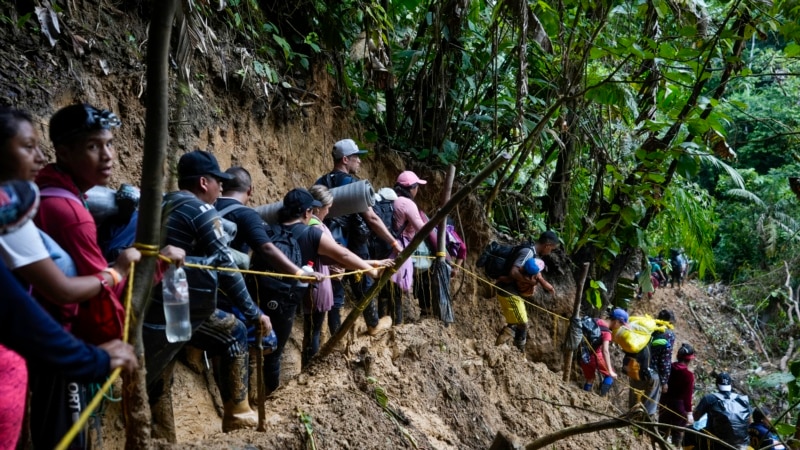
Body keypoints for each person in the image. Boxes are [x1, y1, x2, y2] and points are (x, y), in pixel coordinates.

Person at [25, 104, 182, 449]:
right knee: (67, 440)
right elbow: (99, 295)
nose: (108, 155)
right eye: (93, 146)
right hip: (59, 344)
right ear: (63, 152)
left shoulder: (43, 196)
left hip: (32, 337)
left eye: (110, 144)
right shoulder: (71, 213)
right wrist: (156, 265)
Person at [0, 180, 138, 450]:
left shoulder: (35, 204)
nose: (38, 156)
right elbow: (58, 292)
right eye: (27, 147)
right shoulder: (68, 213)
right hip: (58, 347)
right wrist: (116, 273)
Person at [143, 150, 271, 432]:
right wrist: (253, 313)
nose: (221, 187)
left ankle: (162, 436)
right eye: (217, 181)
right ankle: (237, 412)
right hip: (178, 305)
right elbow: (225, 265)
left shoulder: (163, 204)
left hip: (149, 303)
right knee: (234, 332)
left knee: (159, 376)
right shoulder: (200, 210)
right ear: (203, 182)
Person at [246, 188, 391, 393]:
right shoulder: (311, 233)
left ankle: (245, 397)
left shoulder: (269, 230)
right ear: (307, 212)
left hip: (257, 294)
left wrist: (372, 262)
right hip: (285, 301)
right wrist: (370, 272)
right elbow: (343, 256)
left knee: (251, 346)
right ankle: (270, 398)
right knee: (274, 353)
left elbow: (335, 260)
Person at [214, 167, 322, 375]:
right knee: (268, 340)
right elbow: (265, 248)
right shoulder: (247, 215)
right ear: (251, 190)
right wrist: (299, 273)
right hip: (231, 290)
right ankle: (243, 391)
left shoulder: (206, 208)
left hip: (195, 286)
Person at [315, 139, 395, 336]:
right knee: (364, 283)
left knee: (335, 288)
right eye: (356, 157)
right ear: (345, 159)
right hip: (352, 243)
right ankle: (373, 324)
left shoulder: (320, 182)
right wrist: (393, 242)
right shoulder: (352, 185)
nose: (359, 161)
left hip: (326, 240)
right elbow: (372, 218)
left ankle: (334, 335)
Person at [494, 231, 558, 351]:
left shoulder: (532, 254)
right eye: (551, 249)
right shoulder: (528, 252)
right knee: (522, 322)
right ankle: (516, 351)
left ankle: (507, 351)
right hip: (508, 291)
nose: (550, 252)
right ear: (548, 245)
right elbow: (513, 272)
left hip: (512, 291)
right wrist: (530, 283)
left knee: (515, 323)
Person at [392, 170, 439, 320]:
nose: (417, 190)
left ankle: (393, 317)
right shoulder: (408, 204)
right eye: (417, 186)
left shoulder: (392, 200)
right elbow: (422, 229)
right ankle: (400, 321)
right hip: (403, 248)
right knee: (407, 280)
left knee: (391, 287)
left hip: (389, 245)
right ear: (412, 188)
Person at [608, 307, 661, 417]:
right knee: (646, 404)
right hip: (644, 373)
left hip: (634, 371)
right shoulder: (635, 338)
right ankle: (641, 422)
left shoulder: (631, 337)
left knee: (634, 399)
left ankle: (633, 419)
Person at [693, 372, 752, 450]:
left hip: (718, 442)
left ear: (717, 385)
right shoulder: (742, 399)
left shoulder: (709, 398)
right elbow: (750, 421)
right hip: (742, 443)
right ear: (730, 384)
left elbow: (696, 418)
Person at [659, 343, 696, 447]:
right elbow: (687, 397)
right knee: (677, 435)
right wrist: (689, 413)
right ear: (689, 360)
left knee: (661, 431)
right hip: (679, 409)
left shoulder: (668, 367)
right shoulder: (688, 375)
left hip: (664, 404)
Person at [578, 317, 617, 396]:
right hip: (595, 356)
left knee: (590, 378)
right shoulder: (607, 333)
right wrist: (610, 370)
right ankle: (601, 398)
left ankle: (584, 396)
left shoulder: (596, 320)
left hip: (583, 355)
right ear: (616, 321)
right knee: (610, 375)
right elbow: (605, 351)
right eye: (621, 324)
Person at [652, 309, 676, 394]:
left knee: (634, 402)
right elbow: (665, 359)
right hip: (653, 374)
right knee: (648, 406)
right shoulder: (668, 334)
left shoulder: (651, 328)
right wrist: (664, 381)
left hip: (638, 369)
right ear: (670, 321)